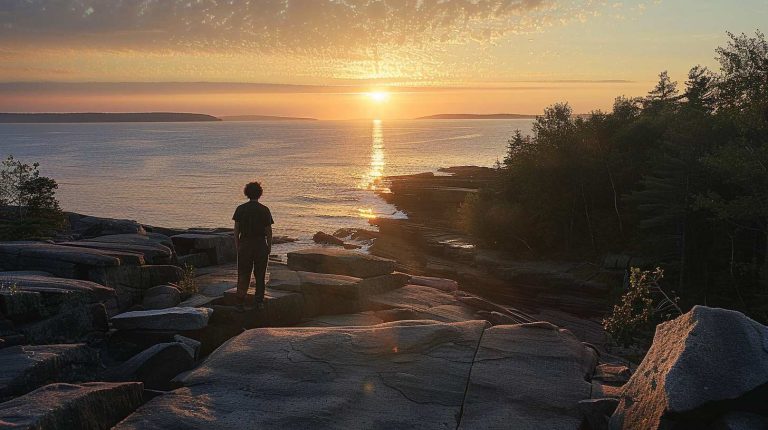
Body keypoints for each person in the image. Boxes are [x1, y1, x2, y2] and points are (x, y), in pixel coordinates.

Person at [232, 181, 273, 310]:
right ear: (260, 193)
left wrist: (238, 244)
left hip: (245, 243)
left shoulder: (241, 209)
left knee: (243, 273)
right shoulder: (264, 209)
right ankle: (259, 302)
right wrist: (269, 246)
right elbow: (268, 230)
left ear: (246, 193)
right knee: (260, 274)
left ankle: (240, 302)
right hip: (260, 243)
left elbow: (236, 229)